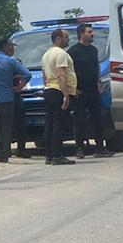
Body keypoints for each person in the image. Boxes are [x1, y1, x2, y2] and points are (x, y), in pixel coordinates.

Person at [68, 22, 113, 158]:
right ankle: (80, 149)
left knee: (98, 119)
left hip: (94, 90)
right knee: (79, 120)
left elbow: (97, 67)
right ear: (81, 34)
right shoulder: (73, 52)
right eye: (89, 32)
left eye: (92, 32)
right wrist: (73, 88)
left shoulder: (93, 50)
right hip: (79, 92)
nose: (92, 34)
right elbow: (69, 71)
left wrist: (99, 82)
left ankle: (100, 148)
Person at [39, 28, 76, 165]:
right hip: (58, 91)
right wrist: (66, 95)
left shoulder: (46, 55)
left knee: (49, 124)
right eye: (66, 37)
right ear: (58, 39)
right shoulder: (60, 54)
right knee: (58, 124)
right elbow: (62, 75)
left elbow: (44, 76)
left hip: (48, 89)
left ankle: (49, 155)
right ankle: (58, 155)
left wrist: (47, 87)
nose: (68, 39)